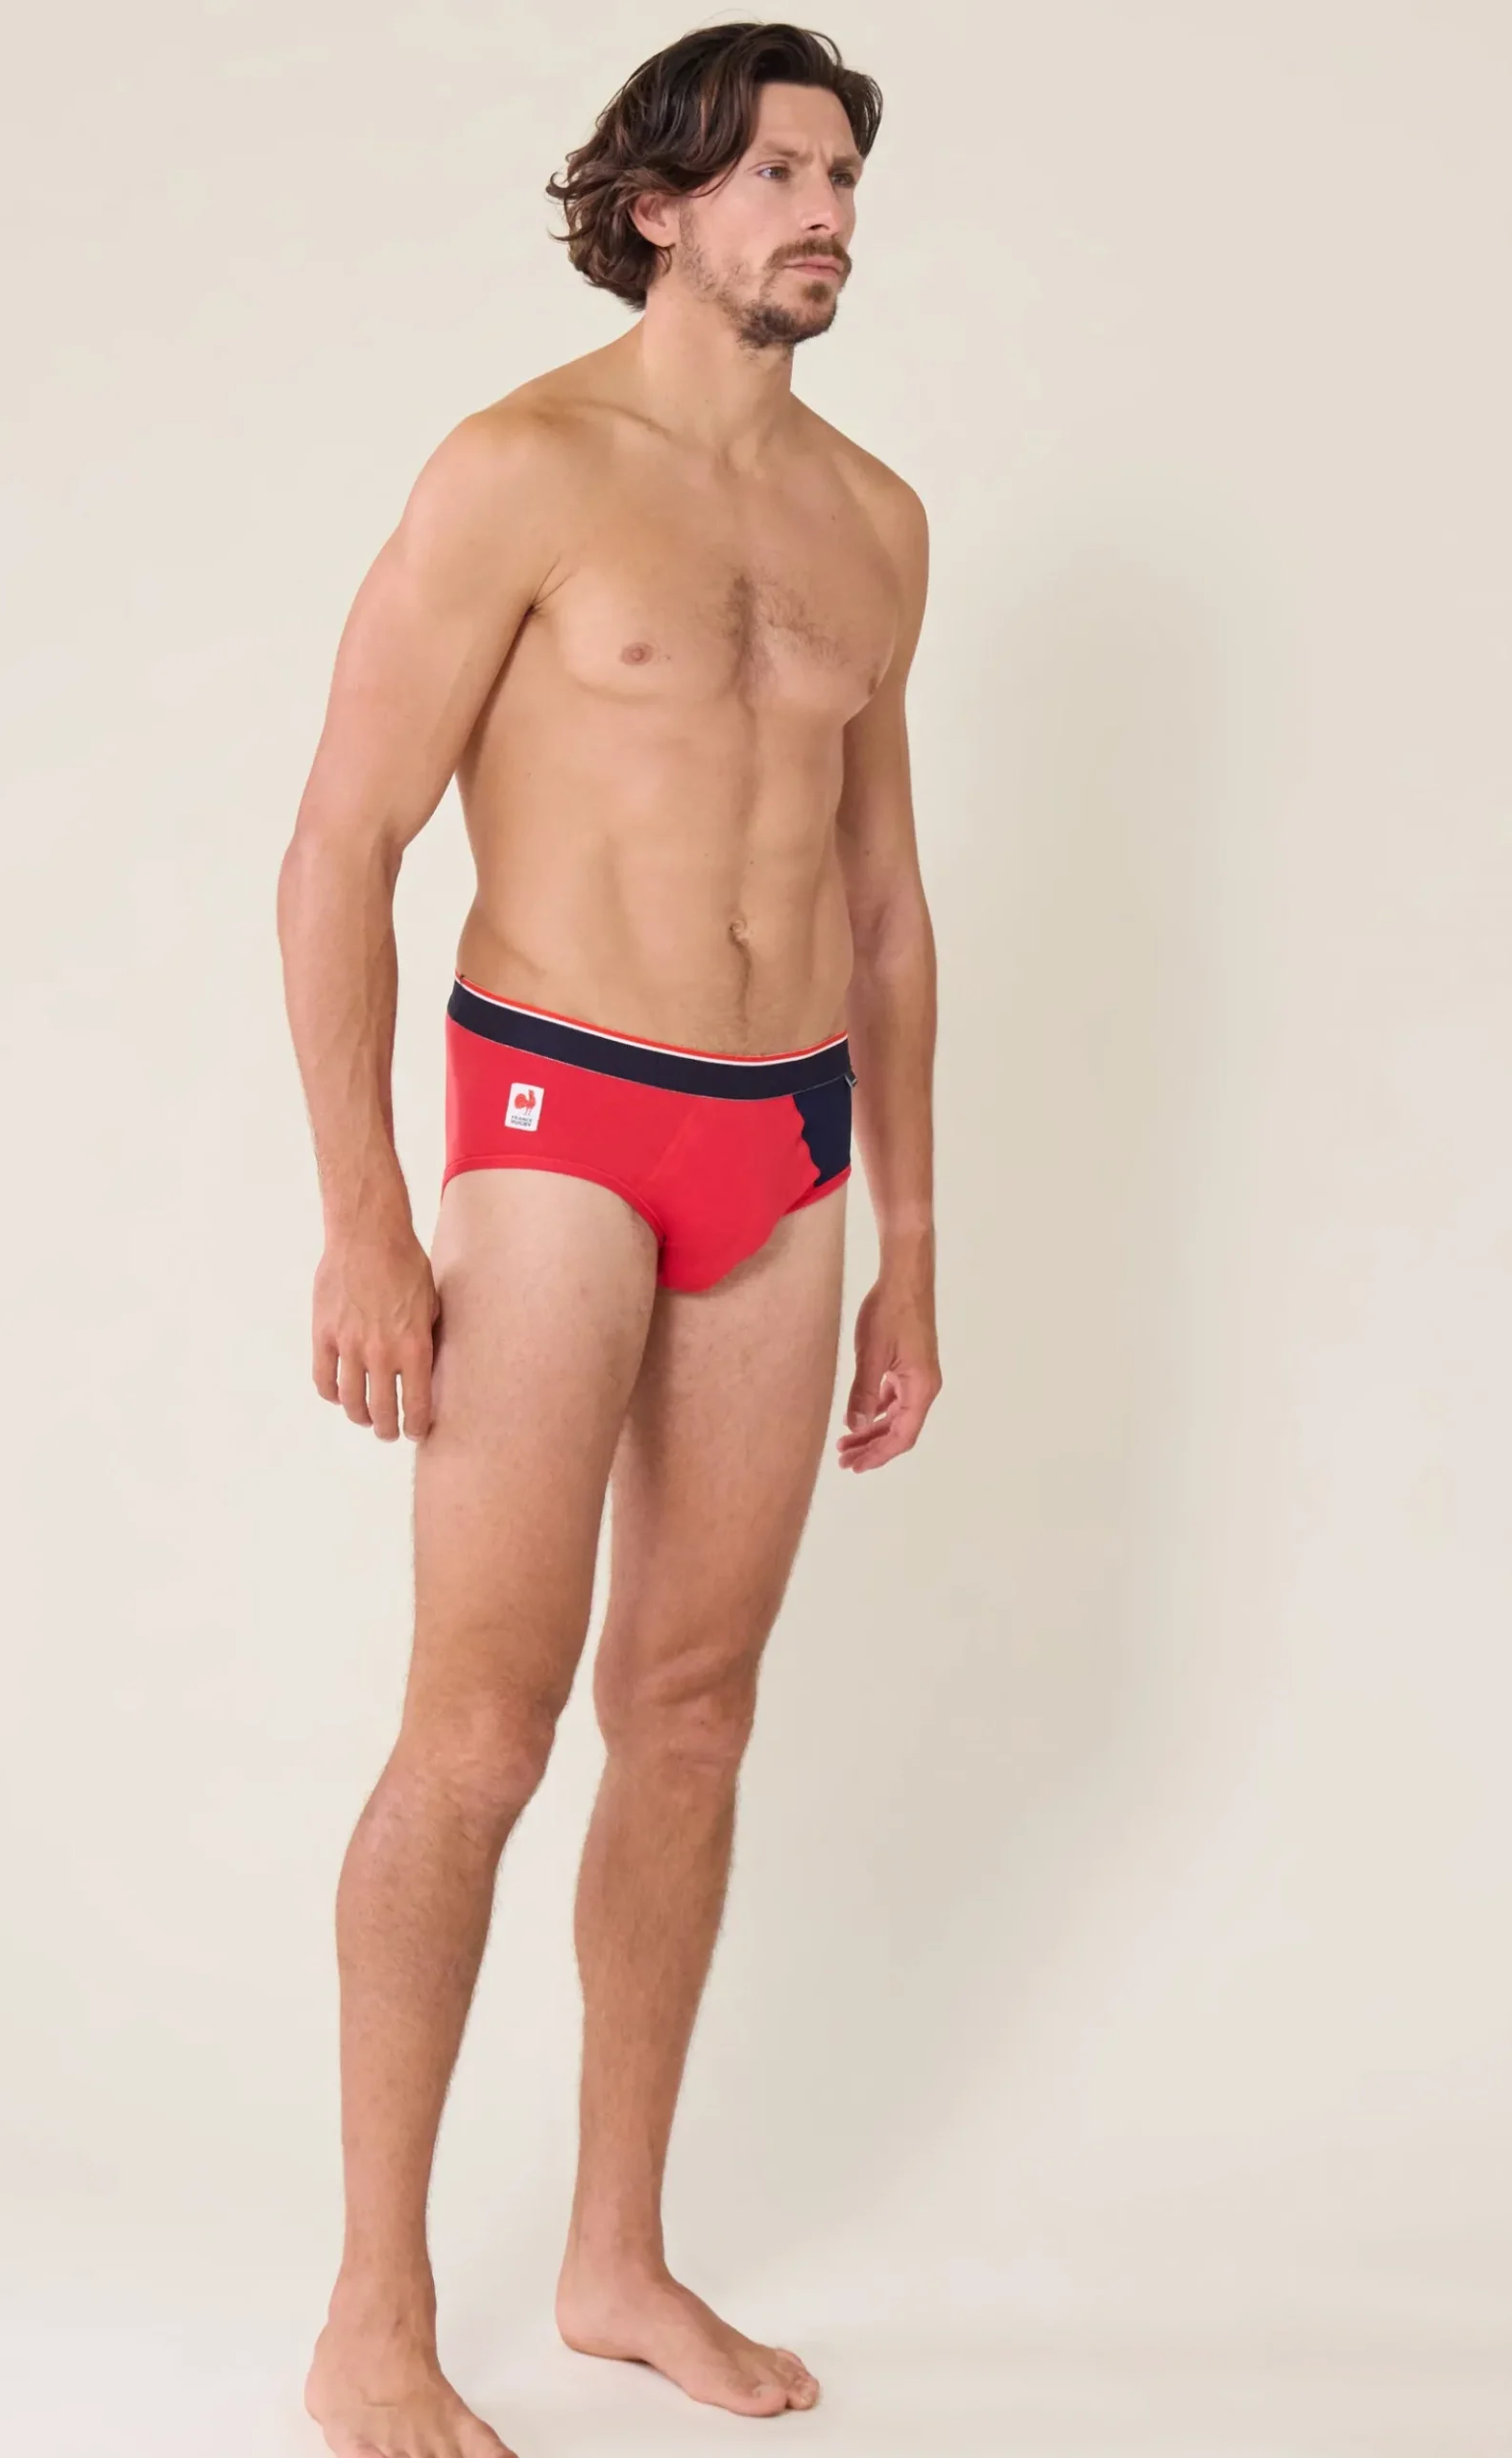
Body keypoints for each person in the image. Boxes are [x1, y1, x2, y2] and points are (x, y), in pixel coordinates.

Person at [276, 20, 940, 2457]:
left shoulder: (875, 519)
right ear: (658, 206)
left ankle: (614, 2251)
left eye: (841, 173)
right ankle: (373, 2307)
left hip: (786, 1144)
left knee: (692, 1711)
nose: (825, 211)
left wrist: (912, 1236)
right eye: (776, 172)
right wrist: (365, 1211)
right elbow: (339, 844)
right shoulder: (521, 469)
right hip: (558, 1114)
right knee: (479, 1722)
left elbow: (885, 903)